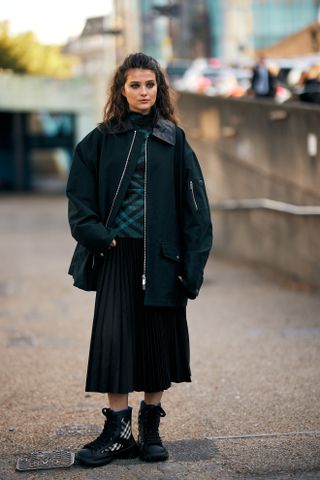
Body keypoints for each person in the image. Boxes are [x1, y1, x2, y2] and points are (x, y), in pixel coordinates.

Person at [66, 52, 213, 468]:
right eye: (135, 85)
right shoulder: (102, 138)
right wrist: (101, 239)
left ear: (159, 89)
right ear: (122, 89)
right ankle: (117, 432)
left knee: (155, 343)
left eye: (150, 84)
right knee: (115, 341)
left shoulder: (174, 138)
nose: (143, 91)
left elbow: (196, 207)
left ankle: (150, 431)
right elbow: (79, 196)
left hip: (163, 258)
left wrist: (193, 264)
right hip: (118, 253)